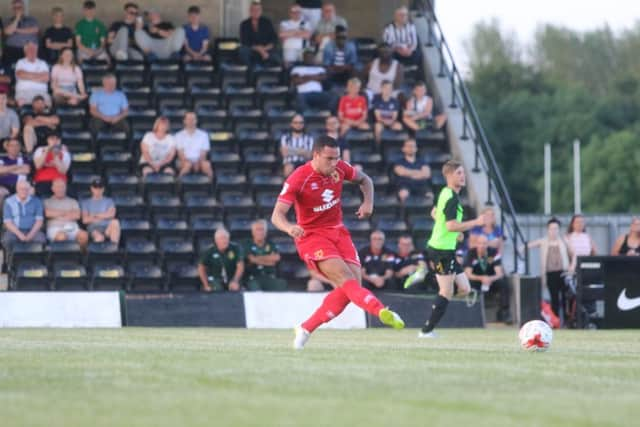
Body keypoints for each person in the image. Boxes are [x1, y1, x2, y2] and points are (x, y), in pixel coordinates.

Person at [271, 135, 405, 350]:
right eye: (329, 159)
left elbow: (366, 180)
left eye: (337, 158)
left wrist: (368, 203)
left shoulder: (340, 168)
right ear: (316, 155)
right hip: (312, 236)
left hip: (338, 232)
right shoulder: (298, 178)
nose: (334, 163)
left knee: (353, 287)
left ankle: (305, 328)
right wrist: (289, 228)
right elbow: (276, 215)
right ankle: (381, 311)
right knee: (345, 279)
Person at [418, 160, 487, 338]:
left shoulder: (445, 193)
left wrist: (455, 234)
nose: (463, 176)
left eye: (463, 173)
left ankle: (436, 285)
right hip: (440, 251)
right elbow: (450, 225)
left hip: (447, 249)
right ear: (448, 176)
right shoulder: (451, 197)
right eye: (458, 173)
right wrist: (476, 223)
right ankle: (426, 331)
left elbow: (435, 214)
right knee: (446, 291)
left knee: (464, 288)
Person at [527, 217, 573, 322]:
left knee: (566, 296)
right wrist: (522, 249)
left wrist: (572, 265)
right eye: (552, 229)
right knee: (554, 297)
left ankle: (567, 319)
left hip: (563, 273)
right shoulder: (544, 241)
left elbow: (573, 253)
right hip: (550, 273)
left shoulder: (564, 241)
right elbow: (530, 245)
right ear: (548, 230)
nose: (554, 231)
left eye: (556, 228)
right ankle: (555, 319)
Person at [464, 234, 512, 324]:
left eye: (484, 243)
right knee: (469, 284)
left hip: (491, 281)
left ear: (487, 244)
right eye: (480, 243)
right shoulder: (471, 253)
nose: (482, 246)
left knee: (503, 283)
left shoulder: (494, 252)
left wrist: (490, 279)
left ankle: (504, 313)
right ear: (476, 244)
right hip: (476, 280)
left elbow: (499, 273)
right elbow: (468, 274)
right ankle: (472, 315)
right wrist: (482, 278)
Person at [243, 219, 288, 291]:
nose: (260, 232)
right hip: (254, 278)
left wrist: (257, 258)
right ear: (253, 232)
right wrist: (269, 260)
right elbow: (251, 259)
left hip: (269, 277)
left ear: (266, 232)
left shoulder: (271, 244)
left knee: (282, 284)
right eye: (258, 229)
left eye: (262, 229)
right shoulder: (247, 244)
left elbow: (276, 258)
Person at [2, 180, 46, 250]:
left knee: (41, 239)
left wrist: (30, 235)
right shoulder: (9, 201)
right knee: (7, 240)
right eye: (21, 189)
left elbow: (39, 221)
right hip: (14, 231)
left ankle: (35, 259)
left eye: (26, 189)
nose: (24, 191)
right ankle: (11, 259)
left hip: (32, 230)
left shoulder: (37, 201)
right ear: (17, 189)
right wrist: (20, 234)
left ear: (29, 190)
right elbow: (8, 222)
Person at [44, 179, 89, 248]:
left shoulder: (73, 201)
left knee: (84, 235)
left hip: (72, 227)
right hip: (55, 228)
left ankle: (81, 257)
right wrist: (67, 213)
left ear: (65, 188)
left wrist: (56, 214)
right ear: (53, 189)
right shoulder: (47, 201)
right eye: (58, 187)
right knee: (62, 236)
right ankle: (62, 258)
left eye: (62, 187)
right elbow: (48, 213)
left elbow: (77, 216)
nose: (60, 189)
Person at [198, 228, 245, 292]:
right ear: (216, 240)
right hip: (215, 278)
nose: (224, 240)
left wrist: (235, 280)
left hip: (232, 277)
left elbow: (240, 266)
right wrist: (206, 285)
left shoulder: (235, 248)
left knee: (235, 288)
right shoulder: (209, 251)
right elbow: (201, 268)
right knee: (217, 289)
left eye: (226, 238)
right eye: (222, 238)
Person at [238, 1, 280, 67]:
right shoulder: (244, 24)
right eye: (253, 10)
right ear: (250, 11)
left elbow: (274, 38)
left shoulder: (267, 22)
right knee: (242, 50)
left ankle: (265, 68)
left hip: (266, 49)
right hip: (252, 50)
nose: (256, 11)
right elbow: (244, 41)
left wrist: (265, 49)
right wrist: (260, 50)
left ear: (261, 11)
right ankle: (251, 69)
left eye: (258, 10)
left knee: (276, 55)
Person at [81, 178, 120, 245]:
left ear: (103, 189)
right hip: (94, 228)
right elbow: (85, 220)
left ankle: (114, 248)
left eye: (100, 188)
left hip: (107, 227)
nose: (98, 190)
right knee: (99, 238)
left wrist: (95, 215)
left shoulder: (109, 201)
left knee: (115, 222)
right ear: (92, 188)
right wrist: (104, 216)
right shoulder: (85, 202)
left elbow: (112, 214)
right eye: (96, 188)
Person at [175, 111, 213, 180]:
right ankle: (178, 185)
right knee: (187, 165)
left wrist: (198, 162)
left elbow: (203, 154)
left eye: (193, 119)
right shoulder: (178, 135)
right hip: (183, 161)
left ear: (196, 121)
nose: (191, 121)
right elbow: (180, 154)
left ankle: (210, 187)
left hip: (199, 160)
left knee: (206, 165)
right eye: (189, 119)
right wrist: (189, 163)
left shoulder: (204, 135)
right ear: (184, 121)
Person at [32, 131, 71, 197]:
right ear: (47, 140)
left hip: (60, 181)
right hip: (42, 180)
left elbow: (63, 171)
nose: (55, 141)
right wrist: (47, 151)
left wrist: (55, 155)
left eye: (57, 139)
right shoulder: (40, 150)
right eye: (52, 138)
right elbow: (38, 166)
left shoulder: (64, 152)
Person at [392, 138, 432, 204]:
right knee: (403, 194)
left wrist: (409, 173)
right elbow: (401, 172)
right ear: (403, 148)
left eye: (413, 146)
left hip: (421, 185)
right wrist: (419, 173)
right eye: (408, 146)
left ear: (416, 149)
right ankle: (404, 213)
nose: (411, 148)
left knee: (430, 196)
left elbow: (427, 174)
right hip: (405, 185)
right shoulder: (399, 162)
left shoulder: (422, 161)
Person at [3, 0, 39, 66]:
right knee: (12, 69)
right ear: (12, 9)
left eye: (19, 7)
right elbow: (8, 32)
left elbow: (34, 30)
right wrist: (17, 18)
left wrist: (15, 30)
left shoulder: (32, 19)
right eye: (15, 8)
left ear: (23, 8)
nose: (17, 10)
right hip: (12, 50)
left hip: (29, 50)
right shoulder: (7, 20)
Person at [15, 42, 51, 107]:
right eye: (30, 49)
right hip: (23, 92)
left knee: (48, 104)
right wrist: (39, 75)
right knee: (21, 102)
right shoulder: (20, 62)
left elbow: (46, 78)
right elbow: (20, 74)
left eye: (34, 49)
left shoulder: (42, 63)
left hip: (41, 92)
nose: (32, 50)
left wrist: (27, 76)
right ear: (25, 51)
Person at [0, 138, 31, 206]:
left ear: (20, 147)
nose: (14, 148)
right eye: (12, 145)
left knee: (31, 191)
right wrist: (18, 167)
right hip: (4, 185)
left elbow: (26, 170)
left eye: (17, 145)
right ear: (7, 148)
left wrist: (6, 171)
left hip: (20, 185)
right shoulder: (2, 159)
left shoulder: (24, 159)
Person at [372, 80, 402, 145]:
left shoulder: (395, 101)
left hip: (391, 121)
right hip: (381, 122)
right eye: (385, 88)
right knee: (377, 127)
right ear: (381, 89)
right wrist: (385, 121)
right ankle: (378, 146)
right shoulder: (377, 100)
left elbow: (395, 117)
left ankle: (394, 145)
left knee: (399, 126)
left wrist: (390, 122)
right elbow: (378, 117)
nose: (387, 90)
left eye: (390, 88)